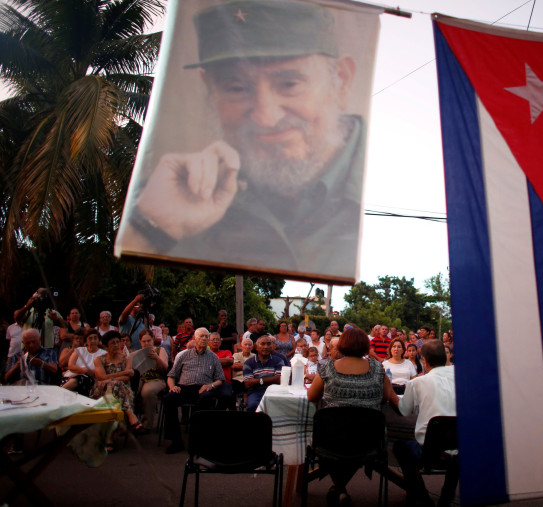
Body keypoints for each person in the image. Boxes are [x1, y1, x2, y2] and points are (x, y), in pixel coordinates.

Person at [119, 0, 366, 280]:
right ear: (209, 90)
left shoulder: (389, 187)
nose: (265, 116)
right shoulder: (173, 194)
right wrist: (153, 226)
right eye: (236, 87)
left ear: (342, 81)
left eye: (289, 84)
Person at [307, 327, 398, 505]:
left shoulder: (328, 368)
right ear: (365, 346)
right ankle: (340, 489)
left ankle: (340, 488)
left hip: (330, 439)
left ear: (341, 345)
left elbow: (311, 397)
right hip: (368, 440)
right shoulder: (378, 369)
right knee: (356, 439)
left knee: (339, 442)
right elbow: (385, 398)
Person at [391, 340, 456, 507]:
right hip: (465, 449)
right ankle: (446, 498)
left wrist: (389, 393)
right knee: (456, 454)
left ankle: (421, 496)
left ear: (424, 361)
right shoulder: (464, 380)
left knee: (400, 446)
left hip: (430, 452)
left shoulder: (418, 383)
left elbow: (404, 410)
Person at [163, 327, 227, 454]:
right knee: (168, 399)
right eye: (201, 336)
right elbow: (171, 375)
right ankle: (176, 440)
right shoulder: (184, 355)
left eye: (206, 336)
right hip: (184, 387)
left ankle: (197, 440)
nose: (204, 339)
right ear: (194, 339)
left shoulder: (213, 357)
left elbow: (220, 379)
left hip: (203, 388)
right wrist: (172, 386)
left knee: (206, 398)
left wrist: (211, 386)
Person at [90, 330, 147, 450]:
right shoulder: (99, 360)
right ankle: (131, 415)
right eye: (112, 343)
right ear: (106, 346)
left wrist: (112, 378)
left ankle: (109, 437)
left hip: (122, 391)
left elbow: (126, 379)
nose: (116, 345)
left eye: (118, 342)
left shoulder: (127, 358)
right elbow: (101, 377)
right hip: (101, 391)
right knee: (114, 386)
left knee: (114, 387)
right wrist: (124, 372)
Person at [133, 329, 169, 431]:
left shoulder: (160, 350)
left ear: (153, 340)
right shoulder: (137, 353)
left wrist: (156, 358)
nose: (146, 343)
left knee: (147, 392)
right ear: (140, 342)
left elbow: (165, 368)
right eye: (144, 341)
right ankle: (130, 423)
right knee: (130, 391)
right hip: (141, 378)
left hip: (156, 378)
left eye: (148, 341)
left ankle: (146, 424)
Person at [243, 335, 286, 411]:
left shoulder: (278, 361)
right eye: (262, 344)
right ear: (256, 347)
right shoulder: (248, 363)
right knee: (253, 406)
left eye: (269, 344)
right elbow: (248, 383)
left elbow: (279, 380)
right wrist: (271, 379)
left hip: (274, 391)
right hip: (255, 391)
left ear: (272, 346)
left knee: (279, 407)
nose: (266, 347)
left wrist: (258, 380)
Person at [63, 328, 107, 394]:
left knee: (79, 379)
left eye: (95, 338)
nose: (93, 341)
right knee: (76, 379)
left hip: (89, 380)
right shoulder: (79, 350)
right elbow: (71, 366)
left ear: (98, 340)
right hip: (71, 377)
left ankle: (59, 392)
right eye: (90, 338)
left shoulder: (103, 354)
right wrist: (85, 371)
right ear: (86, 341)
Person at [208, 332, 236, 409]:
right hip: (208, 382)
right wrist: (221, 362)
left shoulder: (226, 352)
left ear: (220, 342)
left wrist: (209, 362)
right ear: (208, 342)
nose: (215, 341)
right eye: (213, 339)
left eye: (217, 340)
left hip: (224, 381)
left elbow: (229, 361)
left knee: (226, 395)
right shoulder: (205, 353)